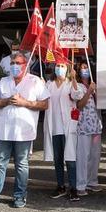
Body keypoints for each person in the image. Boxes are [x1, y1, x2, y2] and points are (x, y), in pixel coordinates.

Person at [0, 50, 49, 208]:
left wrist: (25, 103)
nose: (15, 66)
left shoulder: (35, 81)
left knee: (22, 165)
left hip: (24, 132)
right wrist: (7, 101)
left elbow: (45, 104)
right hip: (4, 131)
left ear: (26, 65)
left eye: (18, 63)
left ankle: (19, 196)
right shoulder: (4, 81)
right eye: (12, 63)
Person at [44, 59, 83, 201]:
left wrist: (73, 79)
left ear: (67, 69)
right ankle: (60, 185)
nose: (59, 68)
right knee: (58, 158)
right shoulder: (49, 85)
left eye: (62, 66)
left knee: (70, 159)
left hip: (68, 127)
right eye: (58, 66)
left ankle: (73, 188)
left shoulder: (70, 84)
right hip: (54, 127)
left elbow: (77, 96)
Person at [74, 61, 102, 197]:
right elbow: (79, 105)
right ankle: (81, 184)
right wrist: (89, 91)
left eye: (86, 67)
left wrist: (95, 91)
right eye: (82, 68)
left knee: (95, 155)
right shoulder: (78, 86)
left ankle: (92, 180)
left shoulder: (94, 84)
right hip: (83, 125)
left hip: (96, 125)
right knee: (83, 156)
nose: (84, 70)